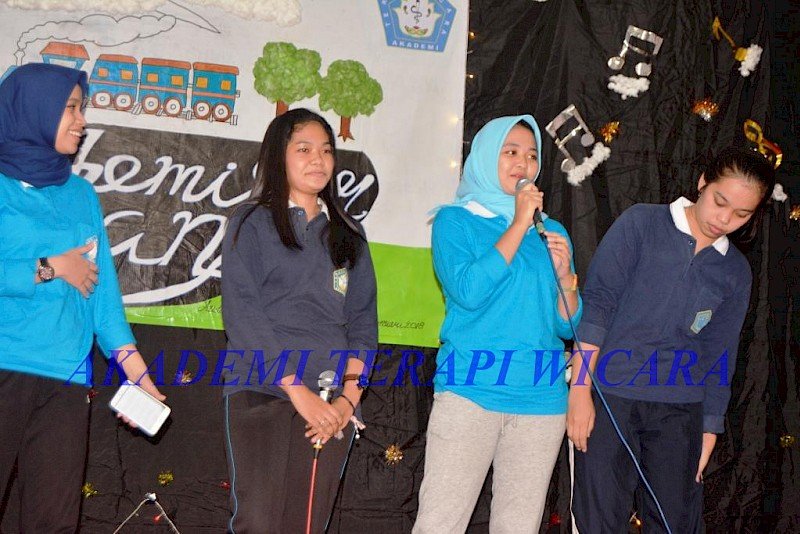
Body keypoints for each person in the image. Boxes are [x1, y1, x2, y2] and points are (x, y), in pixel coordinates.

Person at [567, 146, 776, 533]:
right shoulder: (642, 223)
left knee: (674, 523)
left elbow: (720, 354)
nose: (724, 219)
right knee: (598, 520)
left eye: (742, 214)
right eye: (720, 202)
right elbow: (597, 308)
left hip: (680, 410)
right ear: (703, 182)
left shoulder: (735, 271)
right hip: (611, 395)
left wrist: (709, 429)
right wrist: (580, 390)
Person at [0, 63, 164, 532]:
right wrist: (49, 267)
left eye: (81, 107)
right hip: (6, 363)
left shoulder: (81, 194)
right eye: (70, 108)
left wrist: (141, 379)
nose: (82, 120)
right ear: (34, 111)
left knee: (54, 523)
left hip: (67, 377)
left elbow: (104, 300)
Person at [413, 114, 582, 533]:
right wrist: (519, 223)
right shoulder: (455, 221)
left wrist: (566, 278)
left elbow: (567, 326)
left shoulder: (553, 231)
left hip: (541, 399)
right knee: (440, 523)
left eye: (531, 155)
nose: (523, 164)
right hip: (471, 391)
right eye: (511, 152)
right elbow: (468, 291)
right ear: (487, 157)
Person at [221, 108, 377, 533]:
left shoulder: (349, 233)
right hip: (261, 388)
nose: (318, 160)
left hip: (330, 400)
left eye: (326, 150)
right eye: (304, 149)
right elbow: (242, 313)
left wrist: (347, 400)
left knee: (305, 525)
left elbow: (364, 324)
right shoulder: (250, 221)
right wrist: (296, 390)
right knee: (259, 522)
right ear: (279, 156)